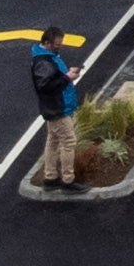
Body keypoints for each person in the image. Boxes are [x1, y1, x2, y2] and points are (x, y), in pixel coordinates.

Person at [28, 26, 84, 186]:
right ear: (46, 43)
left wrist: (66, 75)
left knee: (52, 141)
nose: (60, 46)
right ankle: (68, 180)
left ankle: (50, 176)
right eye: (57, 44)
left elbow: (51, 79)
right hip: (57, 108)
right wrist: (67, 77)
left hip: (53, 107)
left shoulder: (47, 56)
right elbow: (45, 86)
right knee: (69, 142)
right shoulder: (44, 62)